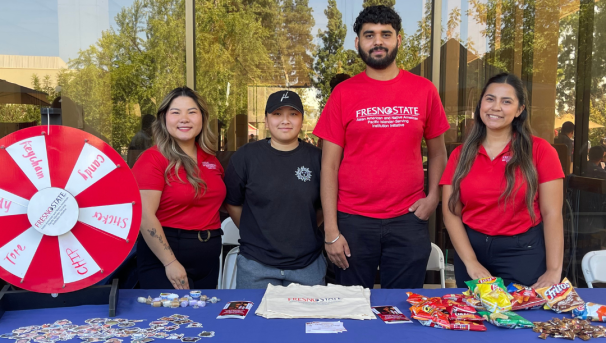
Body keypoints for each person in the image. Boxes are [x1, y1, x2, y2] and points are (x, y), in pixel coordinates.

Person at [313, 5, 449, 289]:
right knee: (352, 307)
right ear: (358, 43)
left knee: (401, 308)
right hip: (352, 220)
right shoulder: (343, 93)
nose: (377, 41)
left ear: (398, 40)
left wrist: (433, 198)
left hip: (408, 218)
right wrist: (331, 230)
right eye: (369, 35)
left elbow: (438, 152)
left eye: (385, 34)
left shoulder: (424, 90)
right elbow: (329, 165)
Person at [440, 73, 564, 288]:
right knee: (473, 318)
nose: (496, 107)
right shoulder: (460, 155)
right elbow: (451, 213)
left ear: (519, 110)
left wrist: (554, 271)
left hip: (522, 252)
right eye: (490, 99)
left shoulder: (541, 151)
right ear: (481, 105)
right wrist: (471, 262)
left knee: (523, 319)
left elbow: (552, 213)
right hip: (471, 250)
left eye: (506, 101)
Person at [225, 90, 325, 289]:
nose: (285, 120)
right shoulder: (245, 157)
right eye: (277, 113)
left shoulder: (318, 159)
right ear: (266, 119)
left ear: (302, 120)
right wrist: (257, 232)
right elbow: (233, 203)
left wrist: (306, 227)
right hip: (256, 266)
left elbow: (324, 206)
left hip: (307, 266)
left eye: (293, 114)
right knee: (256, 320)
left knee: (307, 320)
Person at [132, 86, 225, 289]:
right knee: (176, 321)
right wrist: (170, 262)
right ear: (164, 119)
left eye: (192, 112)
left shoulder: (211, 160)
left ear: (202, 118)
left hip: (208, 259)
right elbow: (144, 215)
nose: (184, 118)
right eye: (176, 112)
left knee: (204, 319)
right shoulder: (153, 159)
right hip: (166, 259)